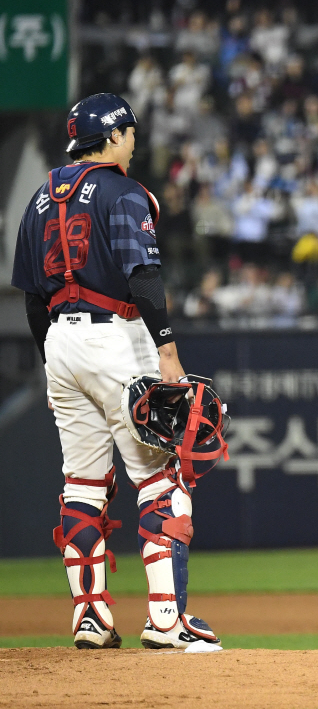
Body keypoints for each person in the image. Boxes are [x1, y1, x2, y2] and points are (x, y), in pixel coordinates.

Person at [9, 93, 221, 651]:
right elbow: (144, 276)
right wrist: (167, 350)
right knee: (160, 482)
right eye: (128, 133)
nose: (133, 142)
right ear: (112, 137)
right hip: (116, 338)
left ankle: (91, 617)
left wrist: (53, 363)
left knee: (81, 485)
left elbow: (33, 300)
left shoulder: (38, 198)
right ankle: (166, 623)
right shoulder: (124, 191)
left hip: (60, 344)